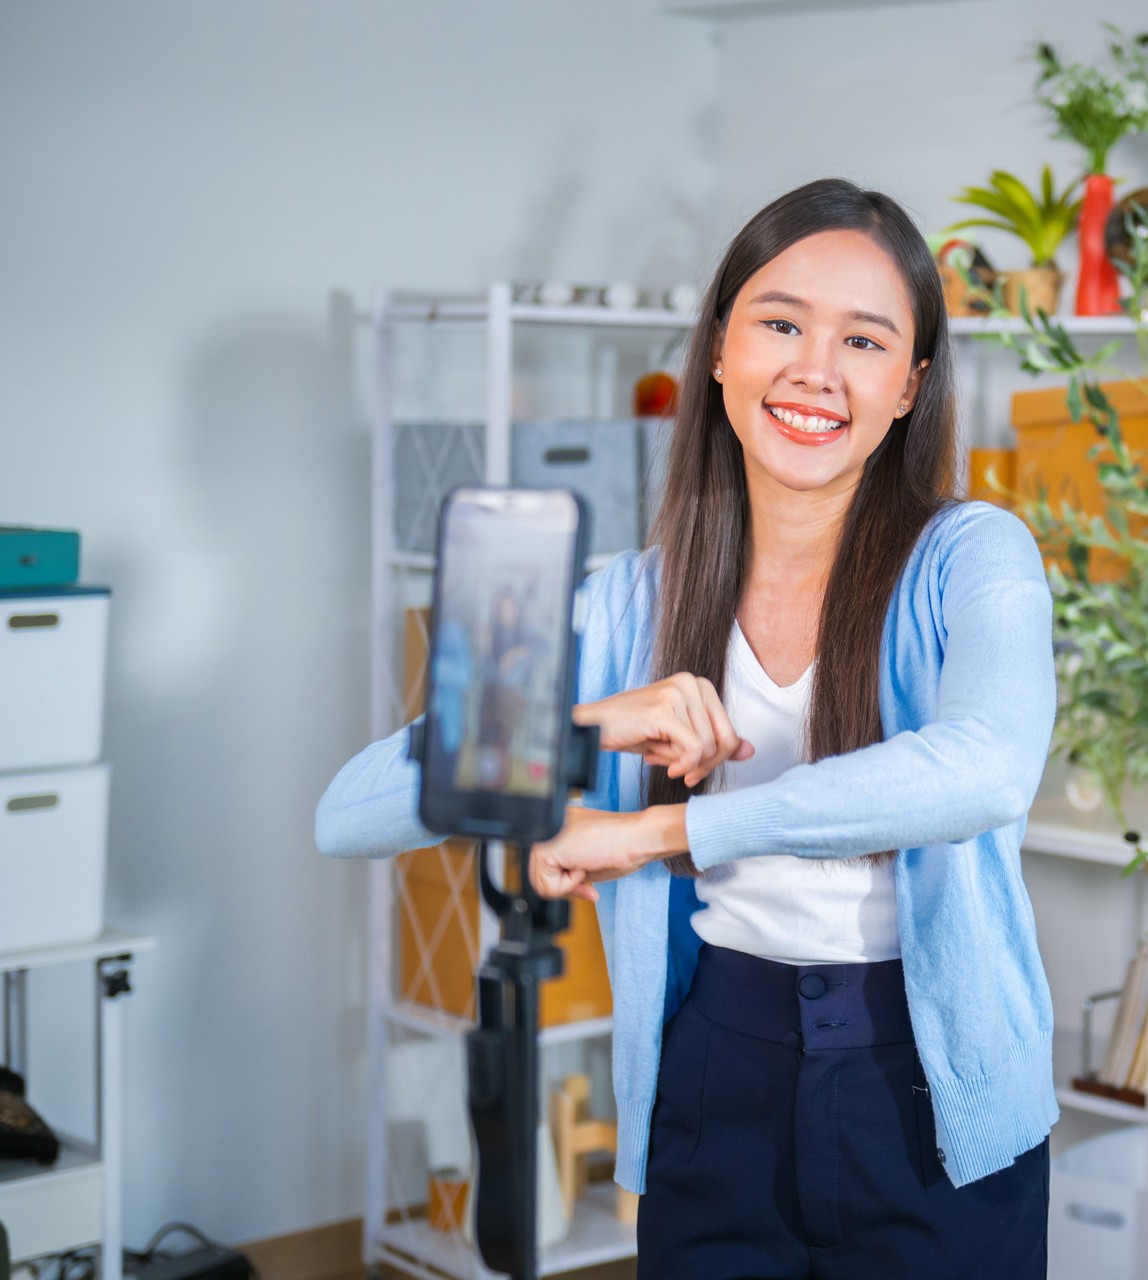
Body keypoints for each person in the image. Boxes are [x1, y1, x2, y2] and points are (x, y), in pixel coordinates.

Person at [316, 178, 1058, 1279]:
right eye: (781, 324)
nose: (815, 370)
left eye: (863, 340)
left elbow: (985, 769)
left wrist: (661, 833)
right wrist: (590, 720)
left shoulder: (972, 555)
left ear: (909, 384)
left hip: (932, 1088)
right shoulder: (628, 602)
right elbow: (350, 812)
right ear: (718, 348)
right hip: (716, 1074)